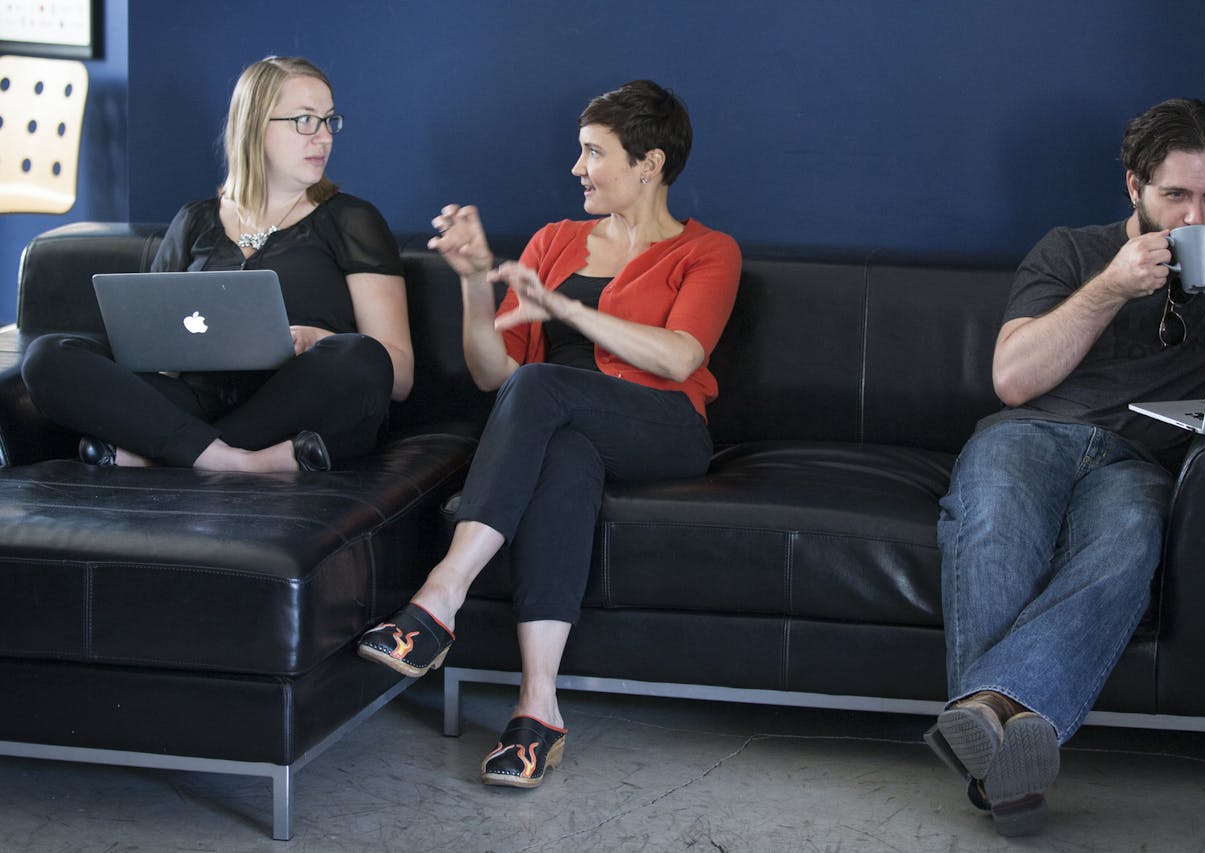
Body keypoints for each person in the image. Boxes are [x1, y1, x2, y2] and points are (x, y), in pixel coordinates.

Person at [924, 98, 1205, 836]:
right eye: (1175, 195)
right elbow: (1013, 378)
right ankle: (1008, 750)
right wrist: (1111, 288)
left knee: (1129, 539)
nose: (1196, 216)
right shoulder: (1069, 250)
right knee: (995, 519)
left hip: (1140, 459)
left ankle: (985, 720)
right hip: (1032, 434)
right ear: (1134, 188)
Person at [356, 79, 741, 789]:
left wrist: (565, 307)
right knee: (561, 451)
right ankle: (538, 709)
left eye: (593, 152)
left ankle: (441, 594)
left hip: (664, 428)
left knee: (545, 390)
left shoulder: (708, 251)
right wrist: (475, 282)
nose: (577, 168)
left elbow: (681, 355)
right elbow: (494, 373)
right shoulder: (554, 241)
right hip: (561, 421)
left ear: (648, 163)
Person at [22, 55, 413, 471]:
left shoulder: (352, 219)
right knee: (47, 355)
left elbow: (400, 376)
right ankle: (237, 460)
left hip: (296, 399)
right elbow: (146, 343)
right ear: (254, 125)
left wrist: (319, 338)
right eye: (304, 121)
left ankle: (171, 454)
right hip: (197, 400)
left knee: (359, 358)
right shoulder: (195, 220)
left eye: (328, 121)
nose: (323, 138)